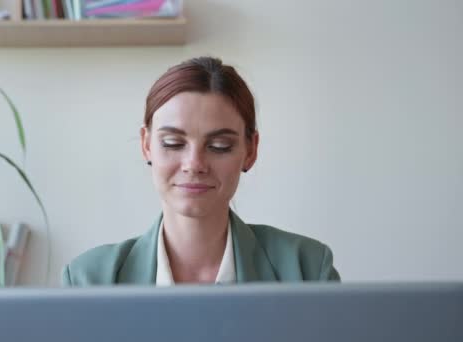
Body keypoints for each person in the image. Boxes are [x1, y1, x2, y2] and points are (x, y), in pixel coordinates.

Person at [62, 57, 340, 286]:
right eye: (173, 143)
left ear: (251, 150)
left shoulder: (307, 269)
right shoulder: (88, 280)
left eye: (219, 146)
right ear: (146, 145)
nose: (194, 164)